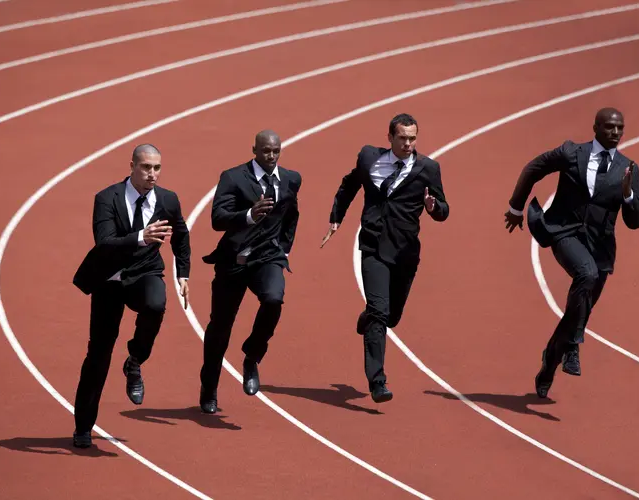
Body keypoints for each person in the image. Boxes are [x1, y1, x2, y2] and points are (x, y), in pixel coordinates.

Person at [504, 107, 639, 398]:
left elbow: (635, 222)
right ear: (595, 129)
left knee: (578, 311)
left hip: (601, 246)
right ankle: (574, 344)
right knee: (585, 273)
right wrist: (516, 207)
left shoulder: (628, 168)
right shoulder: (571, 153)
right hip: (564, 232)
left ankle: (550, 363)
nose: (616, 133)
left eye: (620, 128)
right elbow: (533, 168)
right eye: (609, 127)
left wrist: (628, 194)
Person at [321, 113, 449, 403]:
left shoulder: (429, 169)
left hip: (405, 252)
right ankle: (378, 381)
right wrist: (336, 218)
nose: (408, 143)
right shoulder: (369, 157)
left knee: (390, 317)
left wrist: (433, 207)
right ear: (389, 137)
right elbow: (350, 183)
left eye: (412, 138)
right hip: (373, 247)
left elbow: (444, 209)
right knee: (380, 312)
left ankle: (368, 317)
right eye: (402, 138)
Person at [70, 144, 191, 447]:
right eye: (147, 167)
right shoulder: (106, 198)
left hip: (145, 273)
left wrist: (183, 273)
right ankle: (83, 427)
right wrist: (141, 236)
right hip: (109, 281)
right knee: (98, 356)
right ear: (132, 167)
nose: (153, 174)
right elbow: (104, 242)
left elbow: (182, 235)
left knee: (156, 303)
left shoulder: (167, 199)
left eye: (157, 168)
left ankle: (135, 360)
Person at [198, 130, 301, 414]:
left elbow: (292, 215)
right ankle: (209, 388)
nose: (271, 156)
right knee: (220, 328)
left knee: (273, 299)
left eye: (276, 151)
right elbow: (217, 219)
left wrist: (284, 250)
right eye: (266, 151)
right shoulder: (232, 178)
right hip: (234, 261)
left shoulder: (291, 179)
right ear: (254, 149)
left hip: (268, 257)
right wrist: (248, 215)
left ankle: (252, 356)